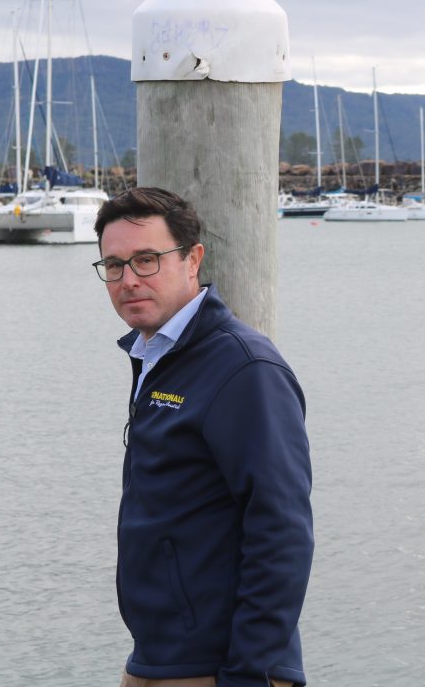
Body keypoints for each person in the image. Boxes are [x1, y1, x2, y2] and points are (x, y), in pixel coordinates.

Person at [93, 187, 313, 687]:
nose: (128, 280)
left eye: (147, 260)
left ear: (193, 259)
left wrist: (250, 675)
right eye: (114, 265)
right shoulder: (157, 358)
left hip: (217, 668)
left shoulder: (243, 367)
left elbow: (282, 531)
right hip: (156, 659)